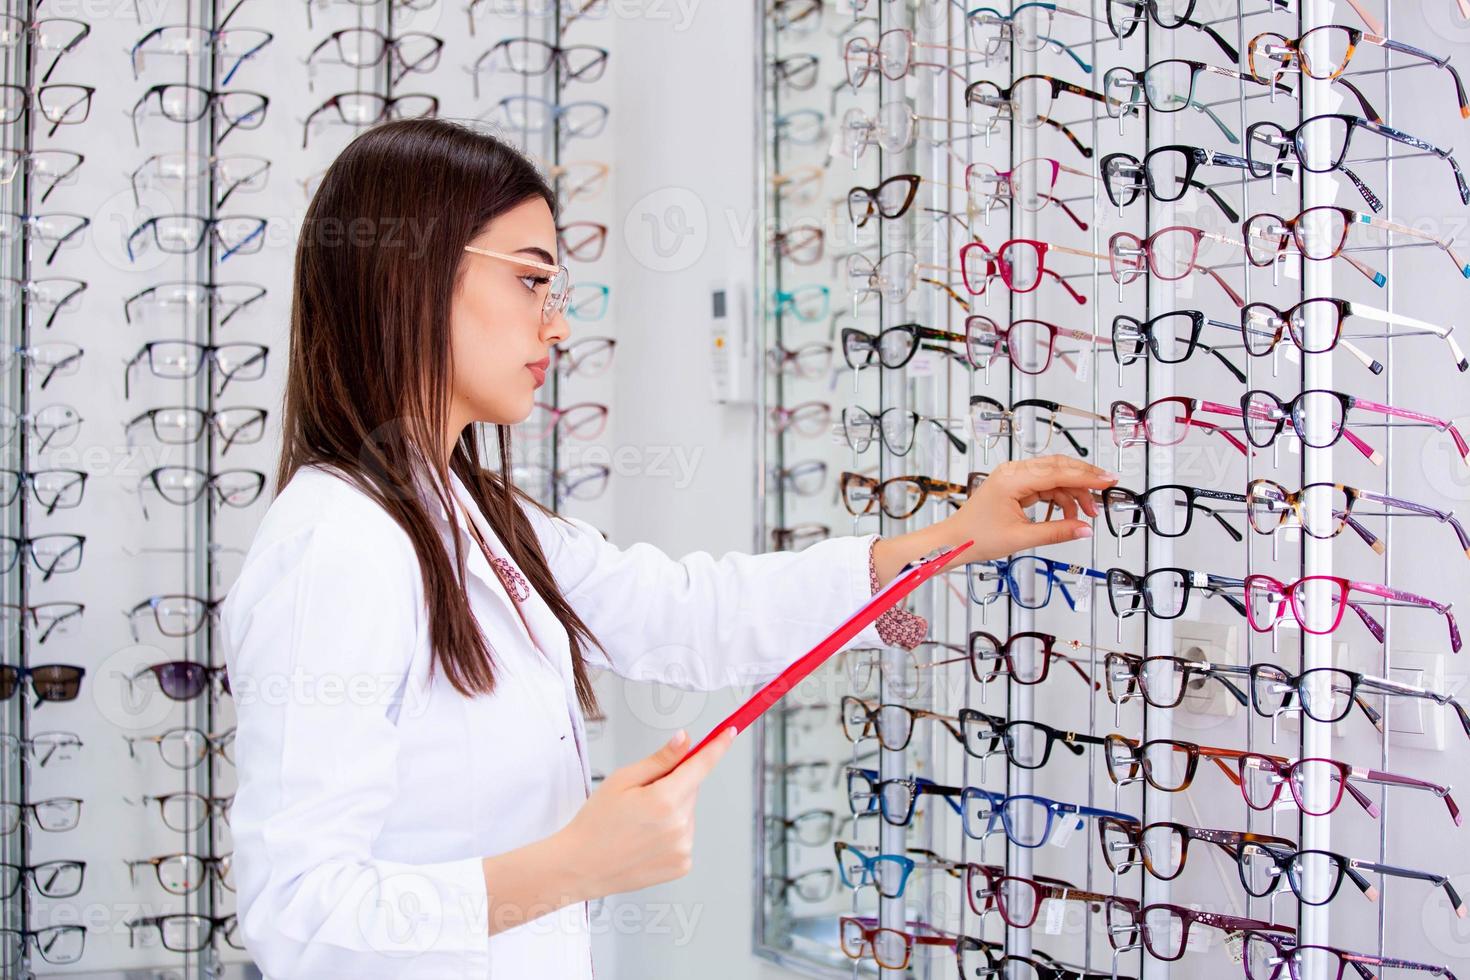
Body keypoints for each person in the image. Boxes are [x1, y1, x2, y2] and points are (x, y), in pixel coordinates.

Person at [220, 118, 1116, 979]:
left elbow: (683, 612)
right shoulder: (337, 548)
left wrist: (953, 537)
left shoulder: (475, 516)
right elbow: (297, 914)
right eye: (533, 282)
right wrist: (573, 865)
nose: (557, 327)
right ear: (409, 275)